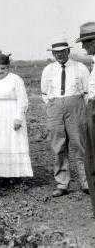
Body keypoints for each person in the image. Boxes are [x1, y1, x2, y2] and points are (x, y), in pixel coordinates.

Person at [40, 40, 90, 197]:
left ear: (68, 51)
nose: (59, 55)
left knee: (80, 144)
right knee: (58, 146)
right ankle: (62, 183)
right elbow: (44, 93)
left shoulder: (80, 68)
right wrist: (52, 106)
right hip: (55, 108)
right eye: (56, 52)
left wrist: (77, 106)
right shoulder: (48, 69)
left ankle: (87, 182)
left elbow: (87, 91)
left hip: (76, 107)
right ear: (53, 53)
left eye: (62, 51)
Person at [0, 53, 33, 181]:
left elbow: (23, 100)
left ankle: (14, 175)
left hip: (10, 115)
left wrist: (18, 118)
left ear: (8, 68)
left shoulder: (15, 79)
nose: (0, 71)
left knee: (12, 143)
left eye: (3, 68)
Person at [76, 22, 95, 215]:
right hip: (91, 107)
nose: (84, 47)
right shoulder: (93, 62)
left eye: (86, 43)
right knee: (91, 158)